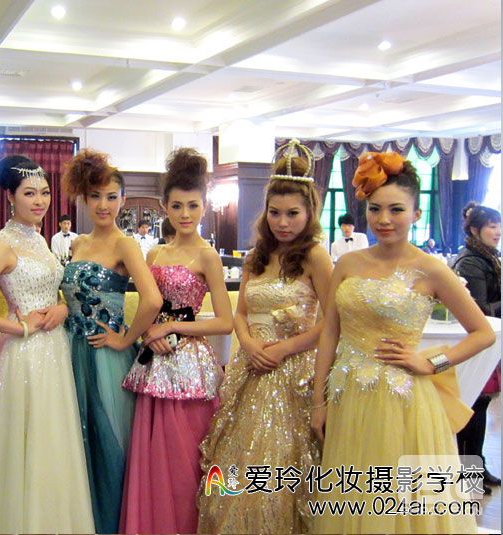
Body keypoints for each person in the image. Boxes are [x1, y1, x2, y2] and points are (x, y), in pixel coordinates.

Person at [312, 151, 494, 533]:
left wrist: (432, 363)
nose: (384, 219)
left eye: (396, 210)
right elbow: (329, 332)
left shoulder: (431, 269)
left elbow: (483, 333)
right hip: (347, 394)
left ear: (415, 213)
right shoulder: (348, 263)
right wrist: (318, 401)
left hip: (401, 398)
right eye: (375, 209)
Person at [198, 139, 332, 534]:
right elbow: (241, 313)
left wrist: (286, 348)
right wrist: (249, 345)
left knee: (280, 462)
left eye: (292, 214)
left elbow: (332, 322)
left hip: (294, 374)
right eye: (275, 213)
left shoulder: (315, 256)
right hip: (252, 368)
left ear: (309, 213)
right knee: (241, 460)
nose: (283, 222)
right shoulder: (257, 255)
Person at [0, 155, 94, 533]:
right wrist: (17, 327)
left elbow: (54, 292)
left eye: (45, 193)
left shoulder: (38, 238)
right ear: (10, 197)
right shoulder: (1, 245)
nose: (40, 201)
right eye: (29, 193)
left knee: (53, 441)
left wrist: (63, 309)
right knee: (26, 442)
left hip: (55, 348)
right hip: (25, 353)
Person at [120, 148, 234, 534]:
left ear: (204, 206)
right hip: (154, 360)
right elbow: (148, 306)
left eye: (193, 205)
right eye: (177, 206)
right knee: (152, 454)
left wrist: (172, 328)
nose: (185, 214)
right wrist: (148, 333)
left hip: (189, 364)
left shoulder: (208, 256)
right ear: (164, 207)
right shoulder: (155, 252)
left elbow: (225, 322)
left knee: (187, 458)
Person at [59, 149, 162, 533]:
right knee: (75, 441)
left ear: (122, 199)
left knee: (109, 442)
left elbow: (151, 299)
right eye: (96, 196)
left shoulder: (125, 245)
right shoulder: (77, 244)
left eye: (111, 197)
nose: (104, 205)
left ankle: (113, 523)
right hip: (70, 348)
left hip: (105, 354)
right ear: (84, 199)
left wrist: (125, 339)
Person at [453, 201, 502, 494]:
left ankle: (477, 466)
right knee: (471, 405)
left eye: (499, 226)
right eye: (492, 226)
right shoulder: (471, 262)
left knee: (479, 406)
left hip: (487, 341)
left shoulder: (488, 257)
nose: (498, 231)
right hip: (474, 343)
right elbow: (480, 309)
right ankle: (468, 471)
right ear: (475, 230)